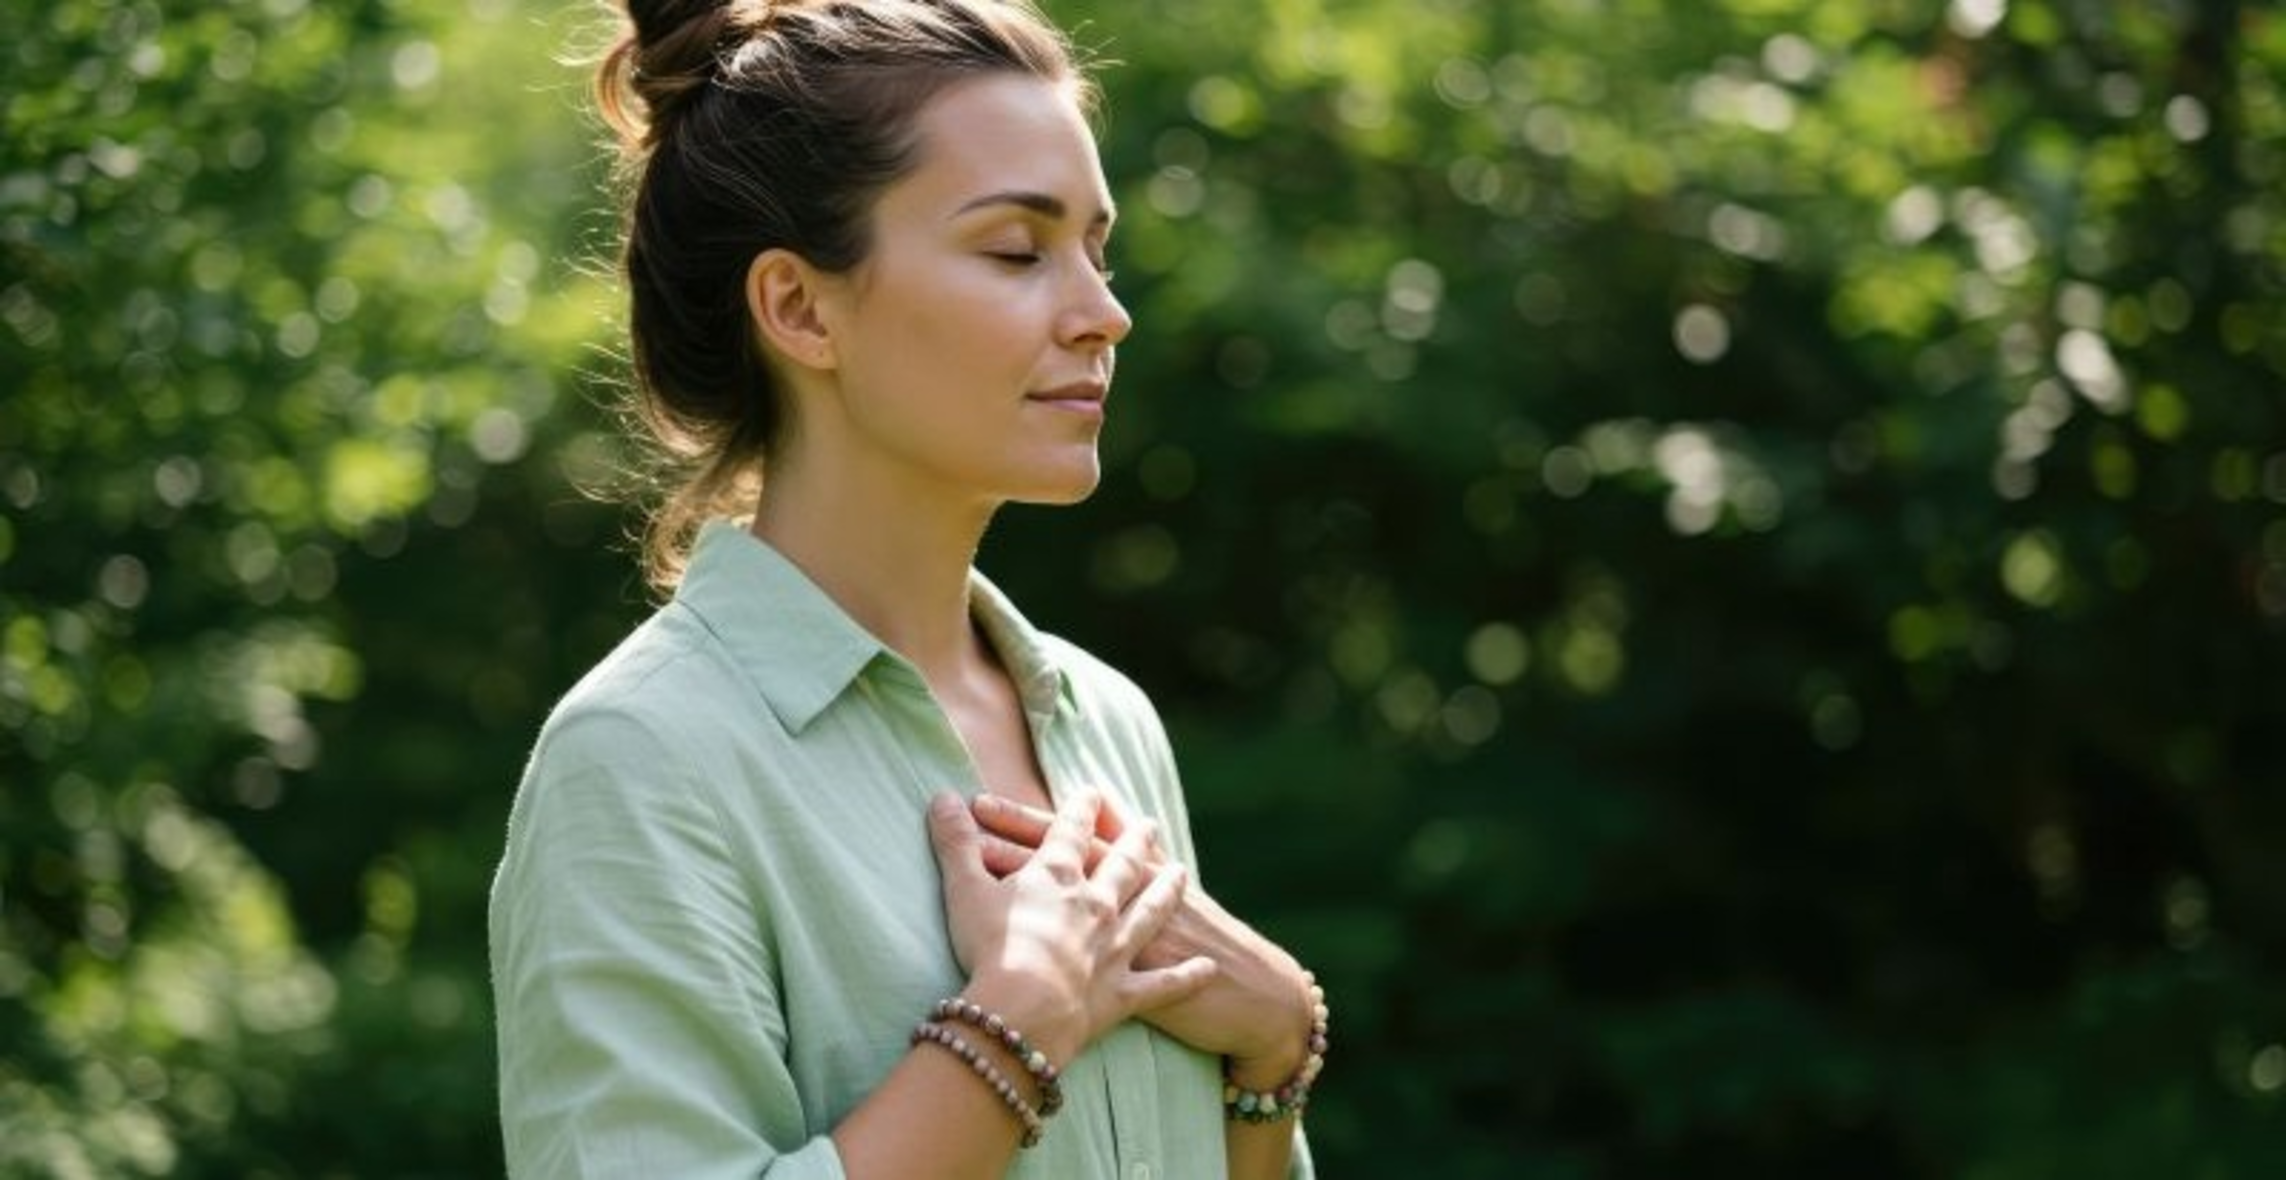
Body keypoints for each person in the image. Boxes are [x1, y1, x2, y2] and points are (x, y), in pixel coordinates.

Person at [486, 1, 1326, 1175]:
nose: (1104, 313)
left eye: (1098, 247)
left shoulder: (1109, 722)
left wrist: (1276, 1042)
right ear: (798, 308)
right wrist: (1019, 1018)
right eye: (1017, 251)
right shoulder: (641, 759)